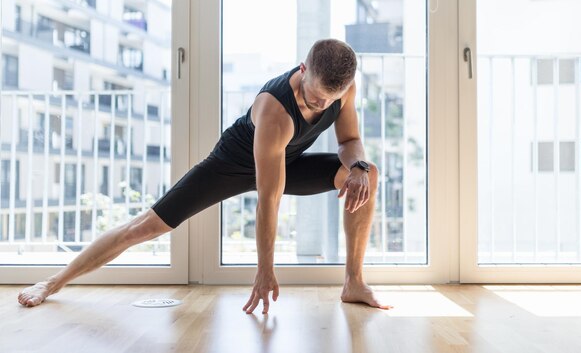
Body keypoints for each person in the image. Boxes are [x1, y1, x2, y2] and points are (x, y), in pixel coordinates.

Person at [18, 39, 392, 314]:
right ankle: (52, 283)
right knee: (144, 227)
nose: (322, 106)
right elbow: (268, 199)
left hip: (289, 160)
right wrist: (264, 270)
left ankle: (353, 283)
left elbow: (351, 140)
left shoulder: (342, 89)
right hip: (232, 163)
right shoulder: (276, 110)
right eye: (314, 98)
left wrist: (357, 166)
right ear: (302, 69)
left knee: (367, 174)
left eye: (331, 99)